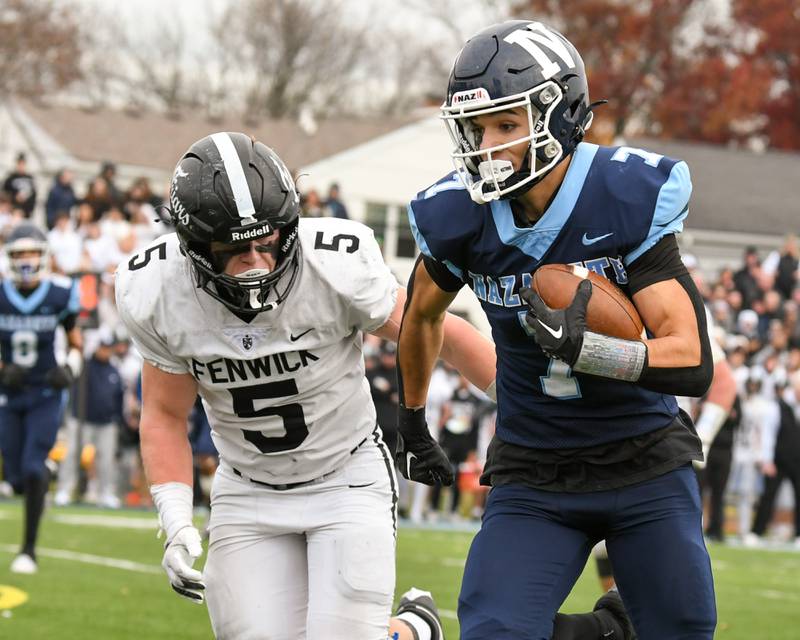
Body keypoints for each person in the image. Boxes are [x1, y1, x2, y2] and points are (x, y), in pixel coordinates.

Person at [116, 132, 634, 640]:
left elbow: (438, 331)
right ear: (195, 247)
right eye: (234, 247)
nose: (256, 262)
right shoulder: (158, 291)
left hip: (345, 478)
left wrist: (535, 404)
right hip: (248, 489)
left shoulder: (333, 263)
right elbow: (163, 413)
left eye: (267, 241)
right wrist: (177, 517)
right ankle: (410, 631)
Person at [397, 20, 716, 639]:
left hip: (643, 459)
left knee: (682, 628)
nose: (486, 146)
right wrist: (411, 419)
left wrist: (595, 350)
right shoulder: (459, 215)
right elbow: (422, 313)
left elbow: (691, 358)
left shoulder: (622, 193)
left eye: (506, 125)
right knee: (495, 631)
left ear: (561, 116)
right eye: (476, 128)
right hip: (535, 470)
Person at [0, 223, 83, 573]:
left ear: (44, 255)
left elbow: (77, 343)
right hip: (9, 393)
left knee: (33, 467)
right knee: (17, 478)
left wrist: (69, 369)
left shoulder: (61, 293)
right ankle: (39, 476)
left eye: (31, 252)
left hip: (46, 393)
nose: (25, 260)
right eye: (18, 254)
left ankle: (28, 551)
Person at [2, 153, 37, 218]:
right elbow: (4, 194)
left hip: (26, 212)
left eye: (23, 164)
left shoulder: (30, 178)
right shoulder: (10, 178)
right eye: (19, 164)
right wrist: (15, 197)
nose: (21, 166)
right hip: (12, 212)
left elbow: (34, 194)